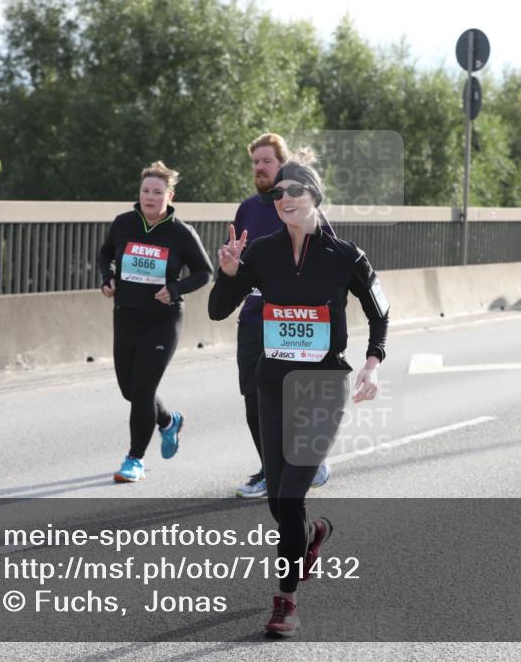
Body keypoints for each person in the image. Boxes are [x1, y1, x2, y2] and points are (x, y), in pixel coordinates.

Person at [208, 150, 389, 637]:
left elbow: (380, 313)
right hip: (273, 384)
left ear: (314, 197)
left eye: (294, 190)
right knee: (280, 500)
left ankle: (285, 601)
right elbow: (218, 311)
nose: (283, 197)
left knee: (289, 496)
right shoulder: (261, 252)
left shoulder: (345, 256)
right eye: (278, 192)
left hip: (324, 385)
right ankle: (310, 535)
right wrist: (227, 273)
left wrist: (373, 364)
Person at [97, 161, 213, 482]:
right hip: (126, 317)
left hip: (163, 320)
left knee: (144, 389)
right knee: (130, 390)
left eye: (157, 192)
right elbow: (105, 254)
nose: (150, 197)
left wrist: (175, 289)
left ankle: (134, 459)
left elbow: (205, 272)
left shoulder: (181, 233)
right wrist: (107, 278)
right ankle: (168, 421)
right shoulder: (123, 224)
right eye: (146, 191)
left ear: (170, 196)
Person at [233, 133, 333, 499]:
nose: (260, 167)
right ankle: (269, 470)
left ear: (283, 164)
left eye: (267, 161)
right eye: (255, 162)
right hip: (254, 319)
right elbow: (240, 261)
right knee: (253, 400)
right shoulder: (246, 209)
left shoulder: (302, 206)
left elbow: (330, 256)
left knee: (291, 399)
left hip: (294, 323)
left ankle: (303, 460)